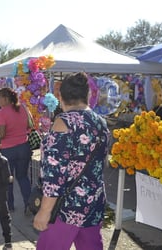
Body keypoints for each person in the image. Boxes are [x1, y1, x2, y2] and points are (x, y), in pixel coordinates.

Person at [33, 72, 110, 250]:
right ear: (88, 95)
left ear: (60, 97)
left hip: (66, 207)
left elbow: (54, 174)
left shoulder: (64, 122)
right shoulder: (101, 122)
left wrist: (44, 211)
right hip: (93, 202)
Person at [0, 87, 31, 213]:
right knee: (23, 177)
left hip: (7, 149)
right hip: (24, 146)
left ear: (5, 98)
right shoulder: (23, 108)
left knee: (8, 178)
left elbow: (2, 134)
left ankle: (9, 205)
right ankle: (29, 204)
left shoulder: (1, 113)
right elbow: (29, 125)